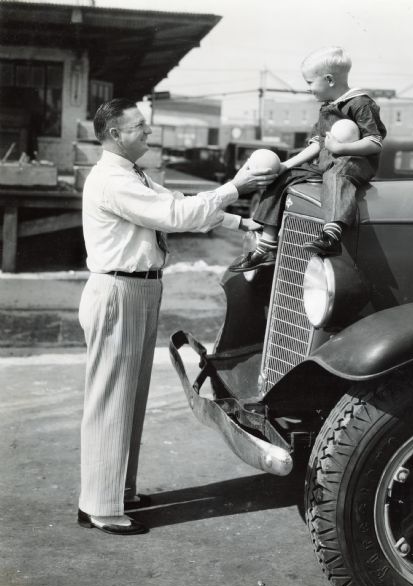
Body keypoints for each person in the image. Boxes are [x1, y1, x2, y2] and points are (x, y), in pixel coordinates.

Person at [77, 98, 275, 535]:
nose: (148, 133)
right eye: (139, 127)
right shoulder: (112, 179)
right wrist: (237, 183)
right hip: (119, 289)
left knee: (130, 395)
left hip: (139, 288)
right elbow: (174, 215)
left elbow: (181, 201)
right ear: (114, 135)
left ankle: (116, 491)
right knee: (112, 397)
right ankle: (99, 506)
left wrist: (240, 224)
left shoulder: (132, 174)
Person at [229, 46, 387, 272]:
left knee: (337, 172)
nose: (308, 89)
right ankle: (267, 246)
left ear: (329, 79)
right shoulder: (326, 108)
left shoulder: (360, 103)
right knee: (284, 177)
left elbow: (374, 142)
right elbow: (317, 144)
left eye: (310, 83)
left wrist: (341, 148)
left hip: (354, 164)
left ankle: (332, 234)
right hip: (326, 163)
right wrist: (285, 165)